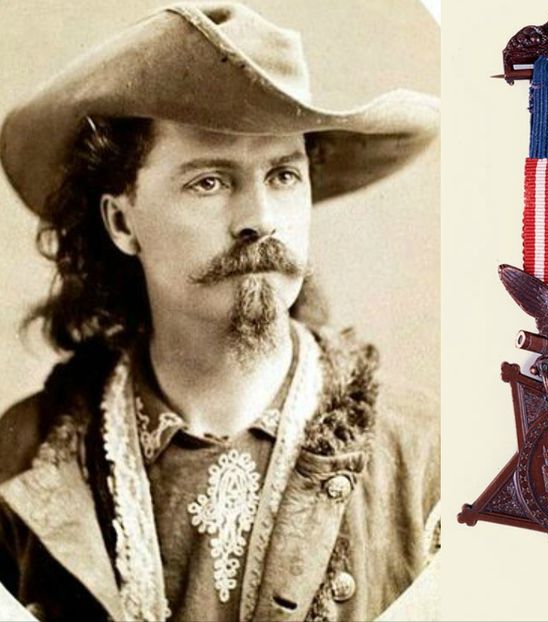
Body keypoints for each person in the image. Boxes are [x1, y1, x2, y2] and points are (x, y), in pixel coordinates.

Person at [0, 3, 439, 621]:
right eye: (210, 181)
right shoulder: (21, 464)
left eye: (283, 175)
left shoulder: (425, 456)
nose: (259, 218)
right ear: (122, 221)